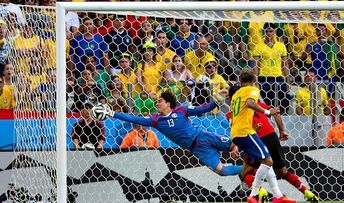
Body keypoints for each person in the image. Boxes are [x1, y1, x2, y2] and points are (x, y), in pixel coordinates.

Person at [105, 90, 242, 177]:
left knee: (238, 144)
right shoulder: (156, 120)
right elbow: (134, 118)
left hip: (203, 136)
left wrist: (216, 100)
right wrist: (112, 113)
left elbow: (203, 108)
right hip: (197, 148)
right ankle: (251, 170)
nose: (157, 104)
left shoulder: (182, 110)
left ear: (168, 103)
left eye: (160, 101)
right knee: (222, 172)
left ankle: (259, 162)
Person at [227, 85, 319, 203]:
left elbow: (237, 129)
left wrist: (235, 146)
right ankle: (306, 192)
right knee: (282, 171)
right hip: (272, 136)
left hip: (256, 138)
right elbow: (275, 113)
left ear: (231, 98)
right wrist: (281, 130)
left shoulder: (233, 111)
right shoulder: (258, 103)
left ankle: (259, 192)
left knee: (246, 172)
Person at [230, 68, 296, 203]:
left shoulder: (236, 95)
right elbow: (250, 103)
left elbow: (238, 115)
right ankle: (253, 195)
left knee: (266, 162)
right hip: (245, 132)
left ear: (240, 81)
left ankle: (278, 196)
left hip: (238, 132)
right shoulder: (252, 90)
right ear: (254, 80)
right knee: (268, 162)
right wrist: (267, 112)